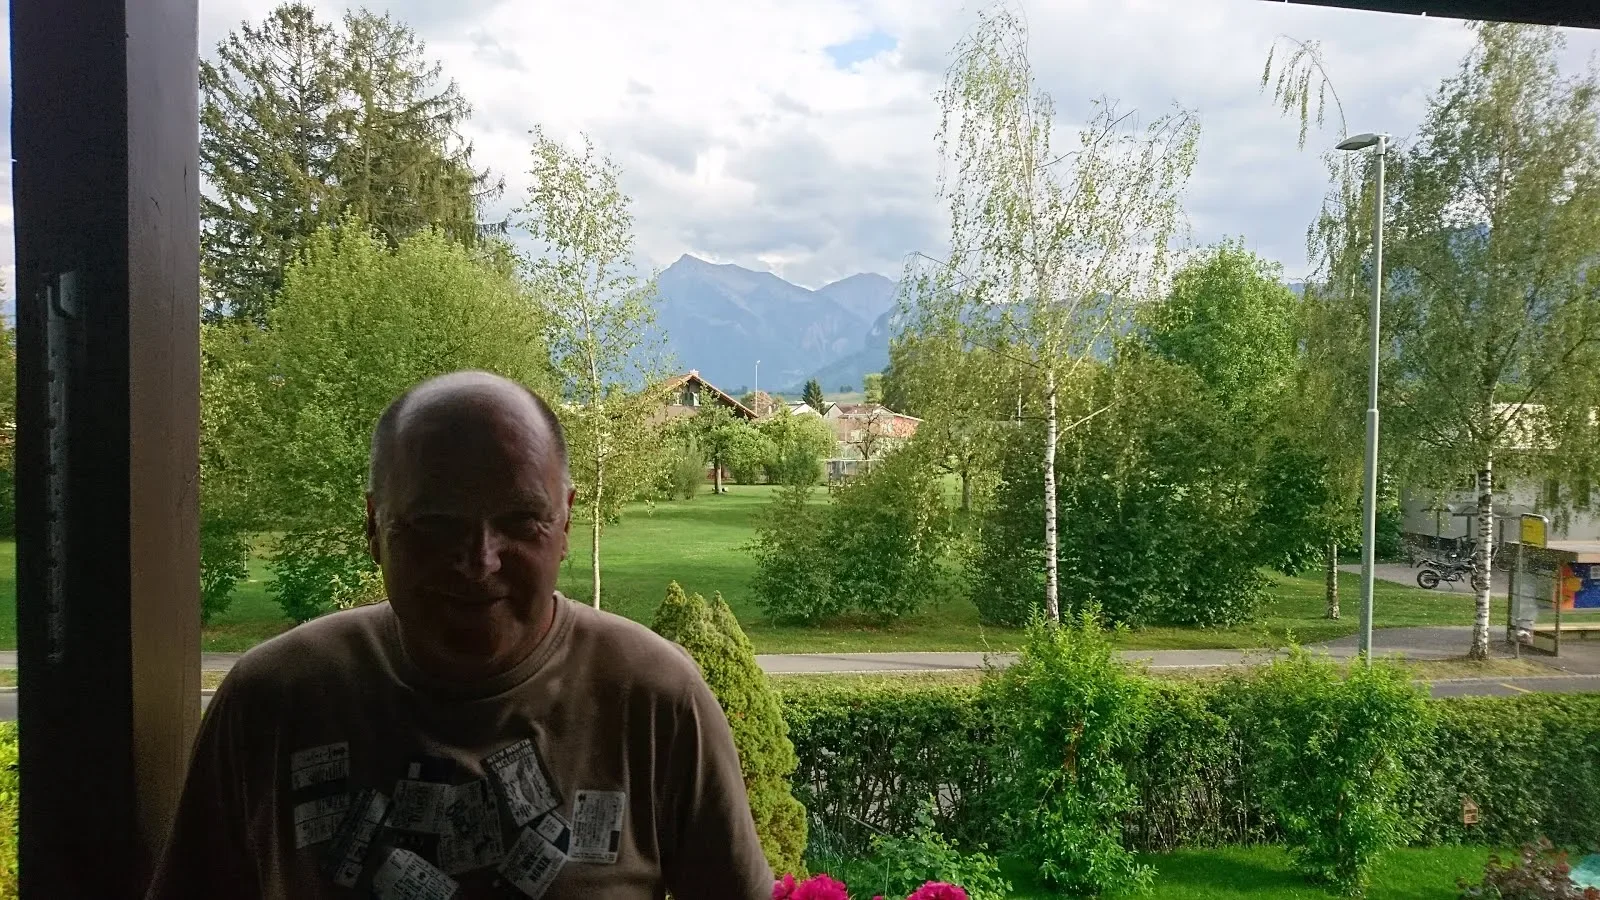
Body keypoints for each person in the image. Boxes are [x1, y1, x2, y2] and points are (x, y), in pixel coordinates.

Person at [146, 371, 774, 899]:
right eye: (434, 523)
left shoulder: (655, 697)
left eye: (521, 521)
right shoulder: (273, 700)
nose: (479, 561)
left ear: (565, 523)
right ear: (373, 526)